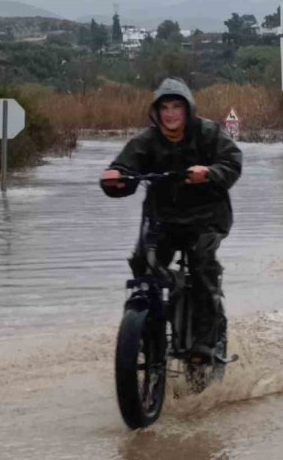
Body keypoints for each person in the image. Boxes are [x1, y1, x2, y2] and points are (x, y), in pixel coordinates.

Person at [100, 77, 242, 360]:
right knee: (143, 263)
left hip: (207, 217)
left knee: (202, 265)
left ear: (188, 109)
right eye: (164, 107)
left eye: (177, 106)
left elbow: (232, 162)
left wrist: (210, 173)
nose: (170, 113)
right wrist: (114, 178)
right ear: (156, 112)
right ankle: (148, 330)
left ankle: (205, 341)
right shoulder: (146, 141)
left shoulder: (209, 133)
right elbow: (124, 168)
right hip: (162, 219)